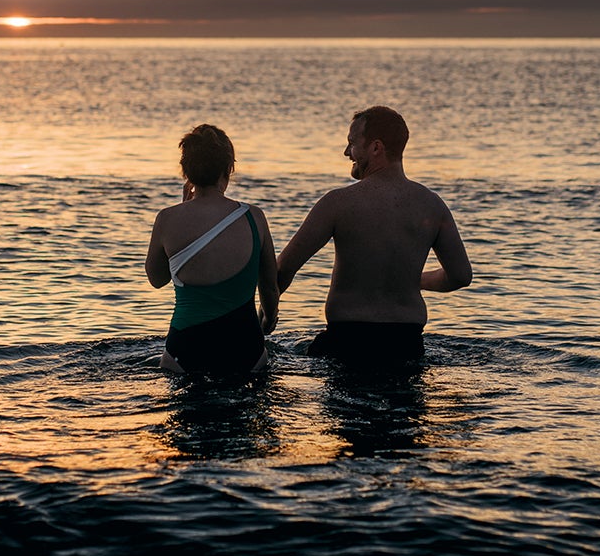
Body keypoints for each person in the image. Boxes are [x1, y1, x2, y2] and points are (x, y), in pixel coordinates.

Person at [275, 106, 471, 363]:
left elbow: (283, 269)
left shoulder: (338, 203)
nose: (347, 152)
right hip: (407, 346)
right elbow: (460, 276)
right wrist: (413, 279)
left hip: (346, 344)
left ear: (376, 148)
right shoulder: (432, 205)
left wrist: (265, 313)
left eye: (352, 143)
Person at [145, 124, 280, 384]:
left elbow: (156, 279)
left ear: (186, 172)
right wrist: (269, 320)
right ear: (228, 169)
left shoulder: (167, 219)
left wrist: (184, 212)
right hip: (245, 345)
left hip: (185, 347)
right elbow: (270, 288)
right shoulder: (254, 217)